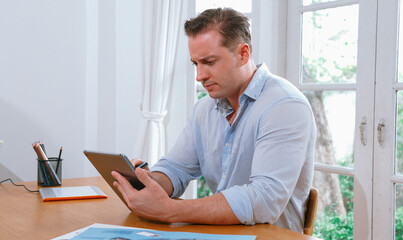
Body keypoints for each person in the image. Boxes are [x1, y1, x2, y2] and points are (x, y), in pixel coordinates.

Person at [112, 7, 316, 233]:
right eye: (195, 64)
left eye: (209, 62)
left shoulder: (284, 106)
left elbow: (265, 200)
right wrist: (148, 182)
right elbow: (175, 168)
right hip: (220, 233)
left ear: (243, 54)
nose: (200, 76)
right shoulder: (204, 109)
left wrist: (169, 210)